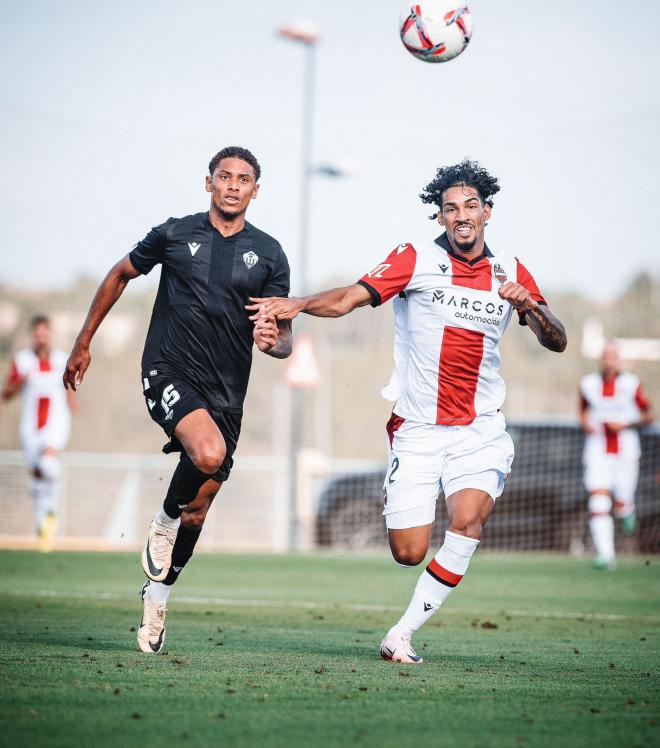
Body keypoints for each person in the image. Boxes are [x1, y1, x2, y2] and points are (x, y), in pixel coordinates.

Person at [248, 159, 567, 664]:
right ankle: (406, 503)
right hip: (417, 428)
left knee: (467, 524)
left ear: (487, 212)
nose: (460, 215)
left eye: (469, 207)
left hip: (480, 429)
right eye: (449, 209)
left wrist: (531, 307)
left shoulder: (511, 271)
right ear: (440, 217)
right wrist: (300, 303)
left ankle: (401, 634)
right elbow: (351, 297)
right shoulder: (414, 258)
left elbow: (558, 340)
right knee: (408, 552)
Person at [63, 146, 292, 654]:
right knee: (205, 456)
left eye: (244, 179)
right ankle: (163, 518)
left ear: (257, 189)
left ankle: (158, 595)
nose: (233, 185)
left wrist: (274, 341)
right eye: (225, 176)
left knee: (200, 508)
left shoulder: (271, 254)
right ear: (207, 183)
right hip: (168, 369)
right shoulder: (174, 233)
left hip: (228, 393)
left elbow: (285, 339)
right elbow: (119, 274)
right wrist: (83, 342)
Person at [2, 315, 78, 551]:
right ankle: (42, 525)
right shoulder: (22, 361)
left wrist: (73, 402)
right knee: (37, 477)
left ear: (50, 334)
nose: (42, 337)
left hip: (56, 422)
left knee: (49, 465)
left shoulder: (61, 359)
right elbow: (6, 394)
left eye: (45, 333)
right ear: (33, 335)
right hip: (30, 426)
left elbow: (70, 387)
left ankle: (51, 513)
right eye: (38, 333)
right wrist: (19, 383)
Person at [579, 340, 653, 569]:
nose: (608, 360)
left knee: (621, 502)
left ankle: (626, 511)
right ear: (601, 359)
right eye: (605, 356)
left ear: (618, 359)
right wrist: (586, 424)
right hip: (597, 448)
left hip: (626, 449)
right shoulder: (588, 383)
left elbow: (649, 415)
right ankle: (606, 555)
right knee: (598, 498)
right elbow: (582, 411)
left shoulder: (631, 384)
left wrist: (626, 424)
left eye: (613, 356)